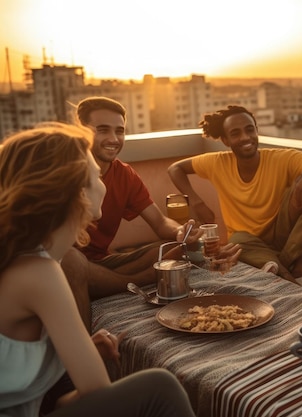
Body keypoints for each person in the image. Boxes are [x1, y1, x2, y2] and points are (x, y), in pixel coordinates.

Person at [0, 123, 195, 417]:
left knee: (160, 253)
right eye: (96, 173)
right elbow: (99, 396)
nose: (104, 179)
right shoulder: (39, 273)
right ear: (76, 189)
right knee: (159, 387)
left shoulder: (35, 260)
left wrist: (75, 353)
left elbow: (48, 403)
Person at [60, 96, 204, 330]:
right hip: (62, 265)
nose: (113, 139)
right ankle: (139, 280)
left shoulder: (125, 174)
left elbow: (159, 223)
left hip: (102, 264)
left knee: (171, 248)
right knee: (72, 261)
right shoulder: (63, 170)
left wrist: (181, 231)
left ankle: (110, 281)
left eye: (120, 131)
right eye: (102, 130)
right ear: (81, 131)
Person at [168, 105, 302, 283]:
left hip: (282, 234)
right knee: (237, 241)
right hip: (246, 242)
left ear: (256, 131)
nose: (245, 137)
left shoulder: (280, 158)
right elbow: (175, 169)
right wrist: (197, 202)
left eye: (249, 130)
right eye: (235, 133)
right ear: (225, 140)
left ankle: (291, 262)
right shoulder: (217, 162)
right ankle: (286, 272)